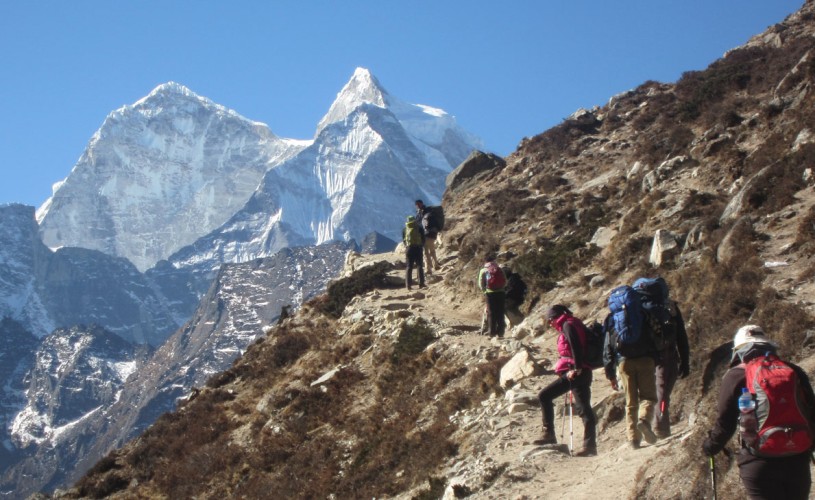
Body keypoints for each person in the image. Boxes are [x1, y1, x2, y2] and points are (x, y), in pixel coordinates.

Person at [703, 325, 815, 499]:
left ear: (739, 351)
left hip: (759, 461)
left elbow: (725, 424)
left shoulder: (735, 376)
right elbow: (811, 414)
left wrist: (710, 446)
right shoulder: (794, 371)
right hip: (797, 458)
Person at [536, 305, 597, 456]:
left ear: (556, 317)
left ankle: (548, 433)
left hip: (576, 372)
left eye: (550, 320)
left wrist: (575, 369)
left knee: (544, 396)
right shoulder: (573, 323)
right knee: (584, 408)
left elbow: (576, 346)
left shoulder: (568, 325)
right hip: (584, 371)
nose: (550, 323)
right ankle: (590, 446)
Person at [632, 277, 690, 438]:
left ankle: (638, 426)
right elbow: (681, 336)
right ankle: (660, 428)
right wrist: (685, 361)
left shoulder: (637, 307)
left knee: (643, 392)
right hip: (666, 354)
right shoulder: (669, 307)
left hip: (640, 356)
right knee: (662, 392)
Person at [603, 301, 659, 449]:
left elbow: (608, 348)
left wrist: (610, 374)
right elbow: (655, 335)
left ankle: (633, 439)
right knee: (648, 397)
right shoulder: (643, 313)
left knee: (631, 401)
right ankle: (644, 420)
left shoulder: (612, 318)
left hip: (624, 362)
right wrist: (656, 359)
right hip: (646, 359)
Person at [477, 255, 506, 337]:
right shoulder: (498, 268)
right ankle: (501, 333)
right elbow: (504, 280)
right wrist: (502, 289)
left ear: (485, 262)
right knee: (500, 312)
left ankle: (492, 333)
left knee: (491, 313)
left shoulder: (484, 270)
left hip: (490, 293)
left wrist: (484, 291)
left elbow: (480, 283)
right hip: (501, 293)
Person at [415, 200, 441, 273]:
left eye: (417, 205)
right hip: (432, 234)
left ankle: (428, 269)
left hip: (424, 235)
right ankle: (436, 265)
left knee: (426, 252)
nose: (417, 206)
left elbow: (418, 224)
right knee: (432, 250)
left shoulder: (420, 213)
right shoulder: (429, 211)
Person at [402, 215, 425, 290]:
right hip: (418, 248)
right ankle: (421, 284)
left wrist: (407, 246)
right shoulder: (419, 227)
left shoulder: (405, 229)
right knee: (419, 266)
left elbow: (404, 240)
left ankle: (408, 285)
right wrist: (421, 246)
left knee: (409, 267)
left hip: (409, 249)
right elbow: (423, 238)